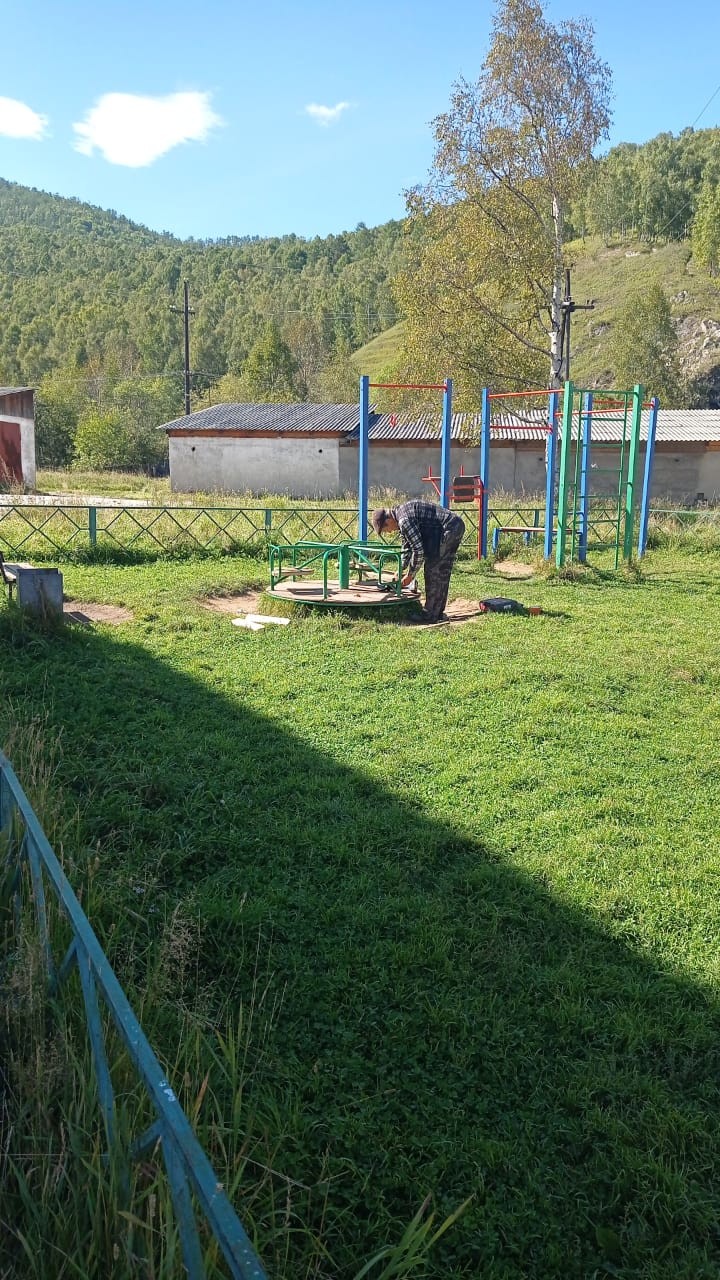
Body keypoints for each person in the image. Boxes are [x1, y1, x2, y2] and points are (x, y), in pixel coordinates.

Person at [371, 501, 465, 623]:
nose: (389, 532)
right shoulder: (401, 514)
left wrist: (410, 575)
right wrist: (400, 569)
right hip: (453, 526)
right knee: (442, 570)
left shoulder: (404, 520)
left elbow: (418, 550)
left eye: (386, 530)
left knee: (433, 569)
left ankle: (430, 615)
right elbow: (407, 546)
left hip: (449, 528)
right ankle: (437, 613)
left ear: (388, 521)